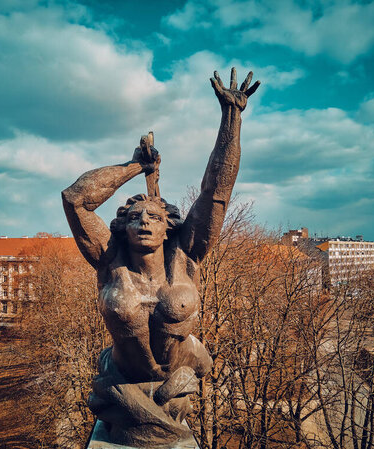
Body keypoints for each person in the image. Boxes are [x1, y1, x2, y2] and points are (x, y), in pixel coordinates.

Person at [62, 68, 260, 446]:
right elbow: (75, 198)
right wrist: (138, 166)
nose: (143, 223)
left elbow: (216, 191)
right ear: (123, 228)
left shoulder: (186, 255)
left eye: (153, 217)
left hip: (178, 378)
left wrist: (231, 119)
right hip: (125, 387)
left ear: (168, 225)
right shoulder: (109, 258)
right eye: (134, 218)